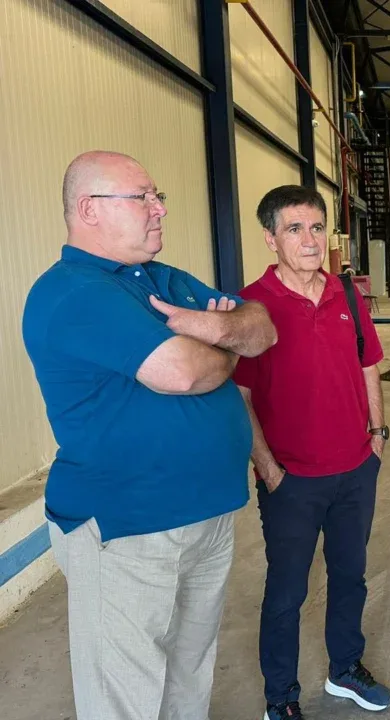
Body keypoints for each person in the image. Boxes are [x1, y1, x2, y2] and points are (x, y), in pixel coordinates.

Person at [21, 150, 278, 720]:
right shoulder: (74, 292)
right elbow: (183, 372)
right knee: (124, 695)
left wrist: (205, 327)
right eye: (142, 197)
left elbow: (261, 329)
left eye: (157, 196)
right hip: (128, 526)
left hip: (206, 514)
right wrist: (222, 343)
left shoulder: (163, 279)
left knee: (189, 671)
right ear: (89, 209)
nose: (159, 208)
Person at [232, 185, 390, 720]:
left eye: (317, 227)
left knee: (350, 576)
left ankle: (344, 669)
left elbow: (368, 364)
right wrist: (267, 467)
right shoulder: (252, 305)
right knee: (286, 592)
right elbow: (240, 395)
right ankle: (280, 697)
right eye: (295, 229)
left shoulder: (346, 294)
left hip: (356, 469)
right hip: (291, 479)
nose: (310, 240)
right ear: (270, 238)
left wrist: (377, 435)